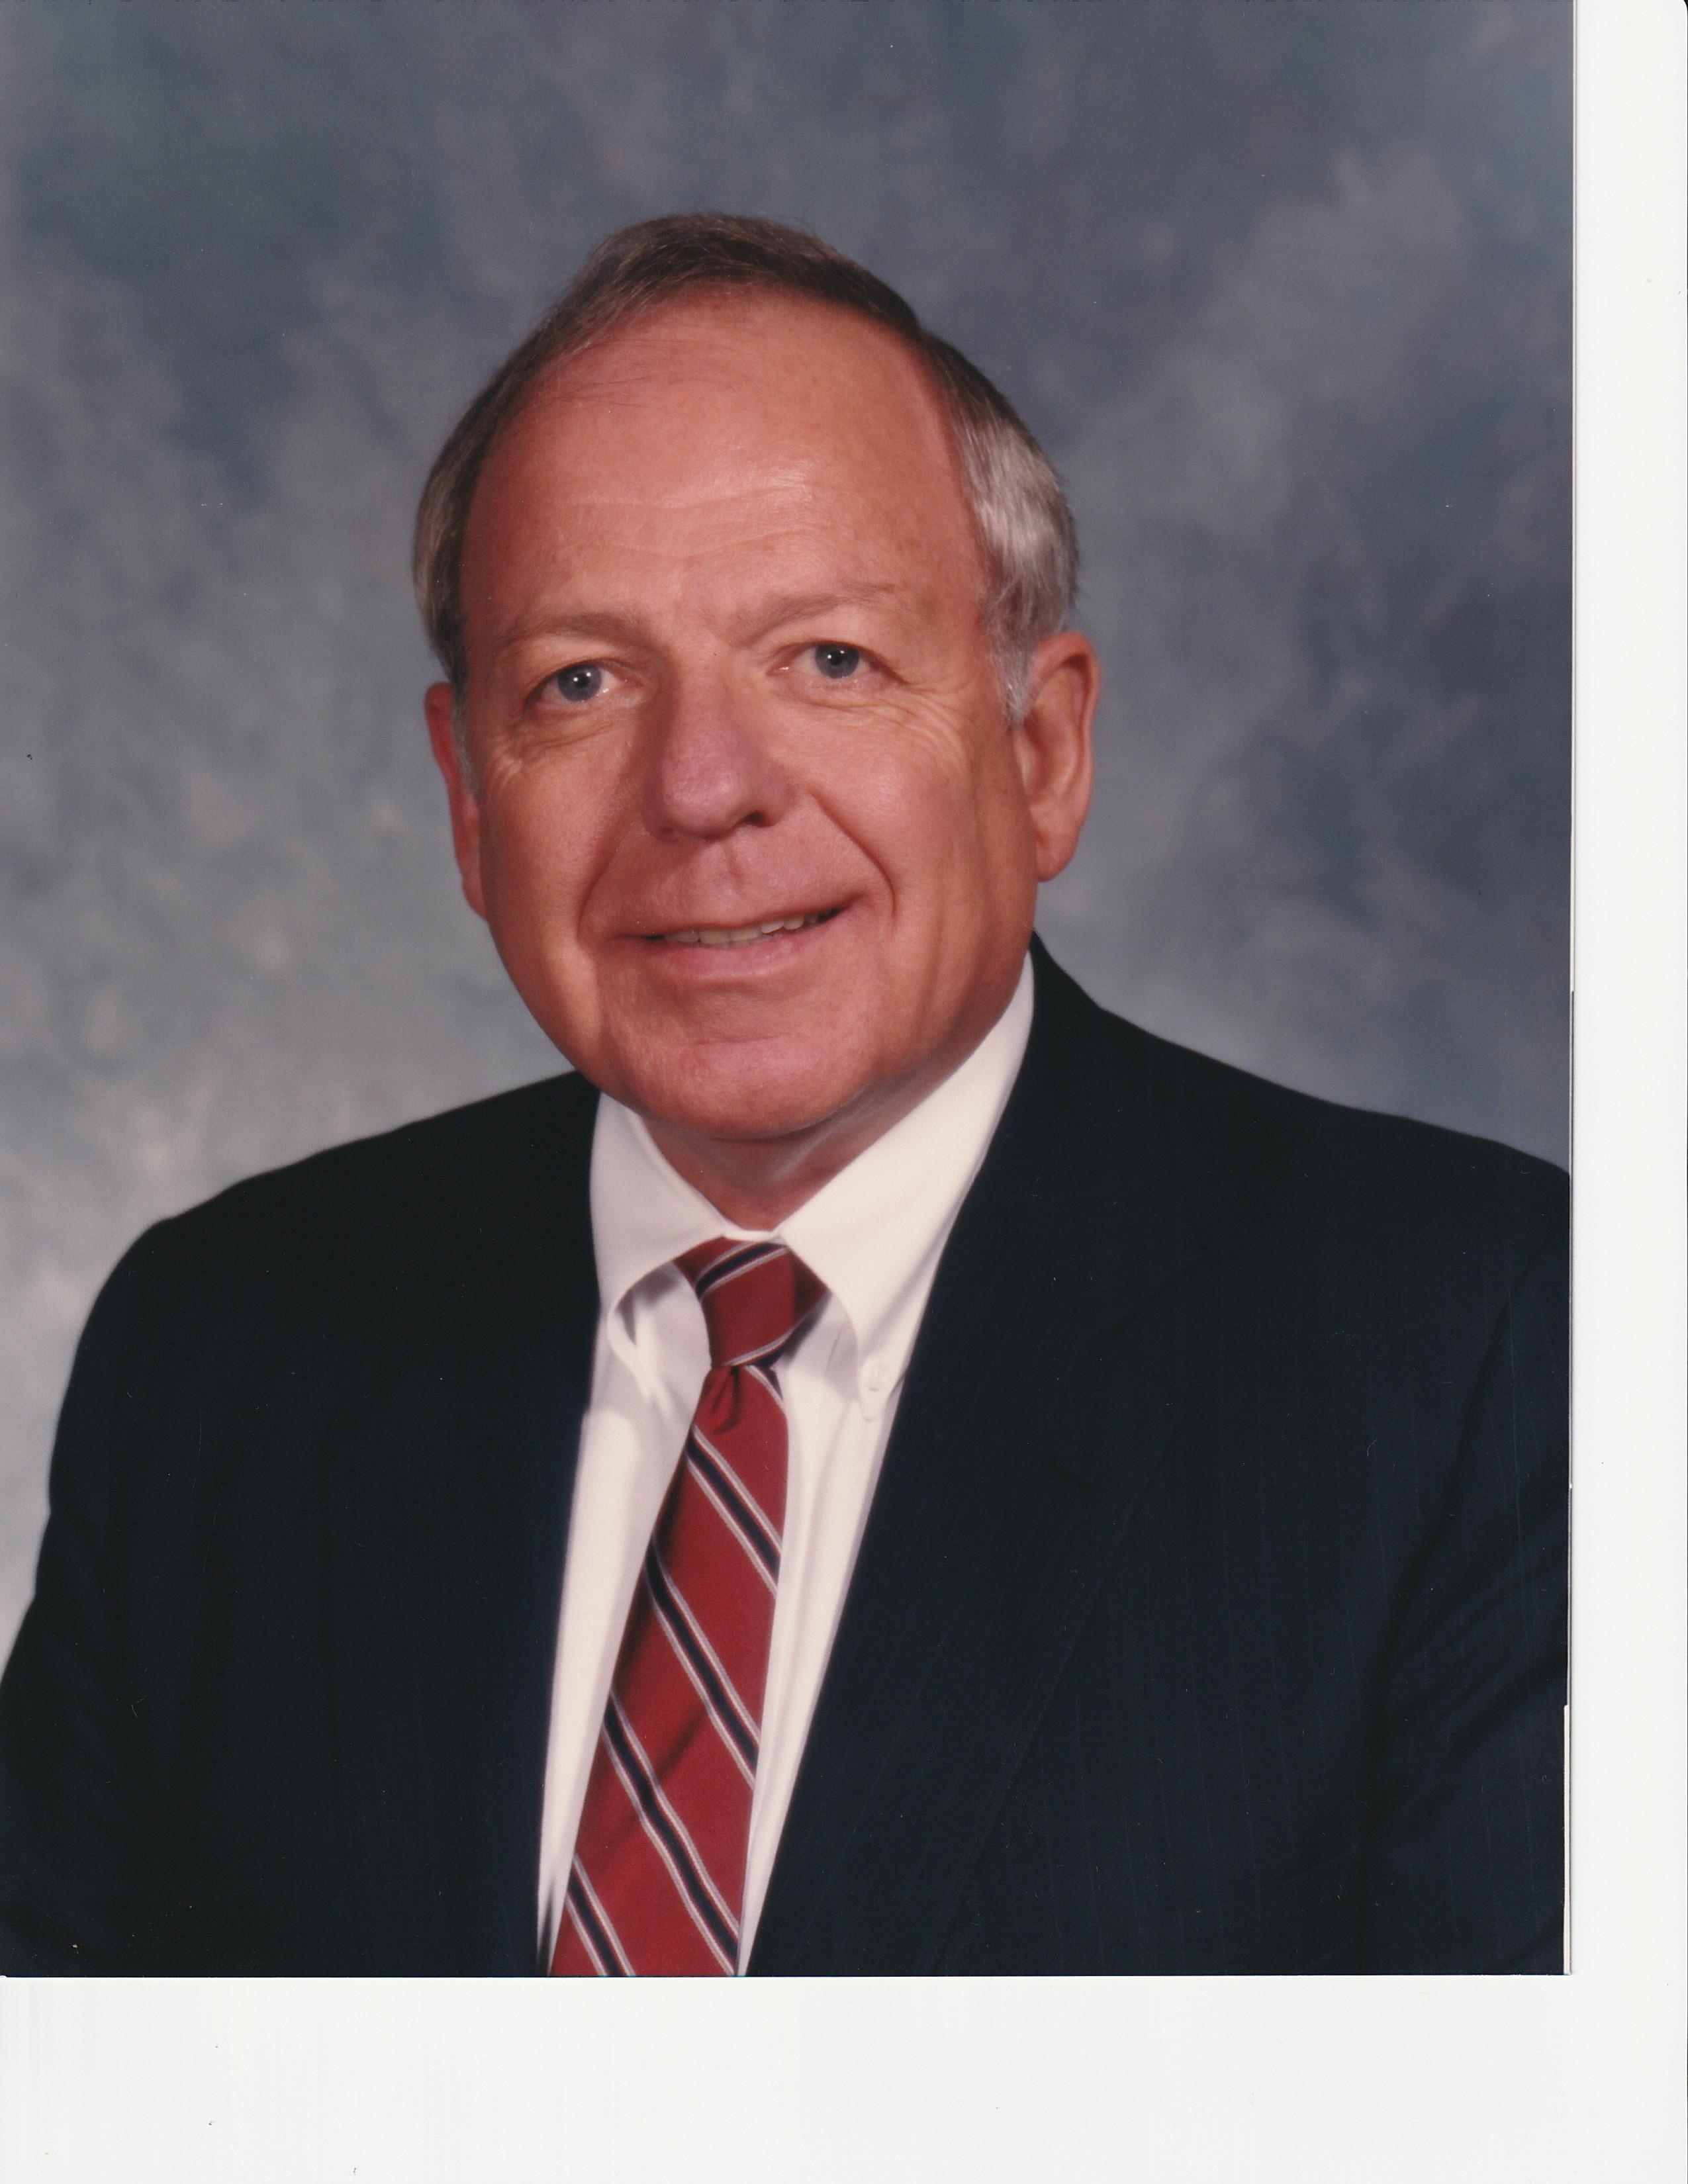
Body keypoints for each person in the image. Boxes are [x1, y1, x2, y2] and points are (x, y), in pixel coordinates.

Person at [0, 214, 1567, 1976]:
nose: (701, 786)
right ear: (464, 799)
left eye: (827, 658)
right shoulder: (219, 1353)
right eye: (580, 682)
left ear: (1039, 753)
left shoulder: (1482, 1351)